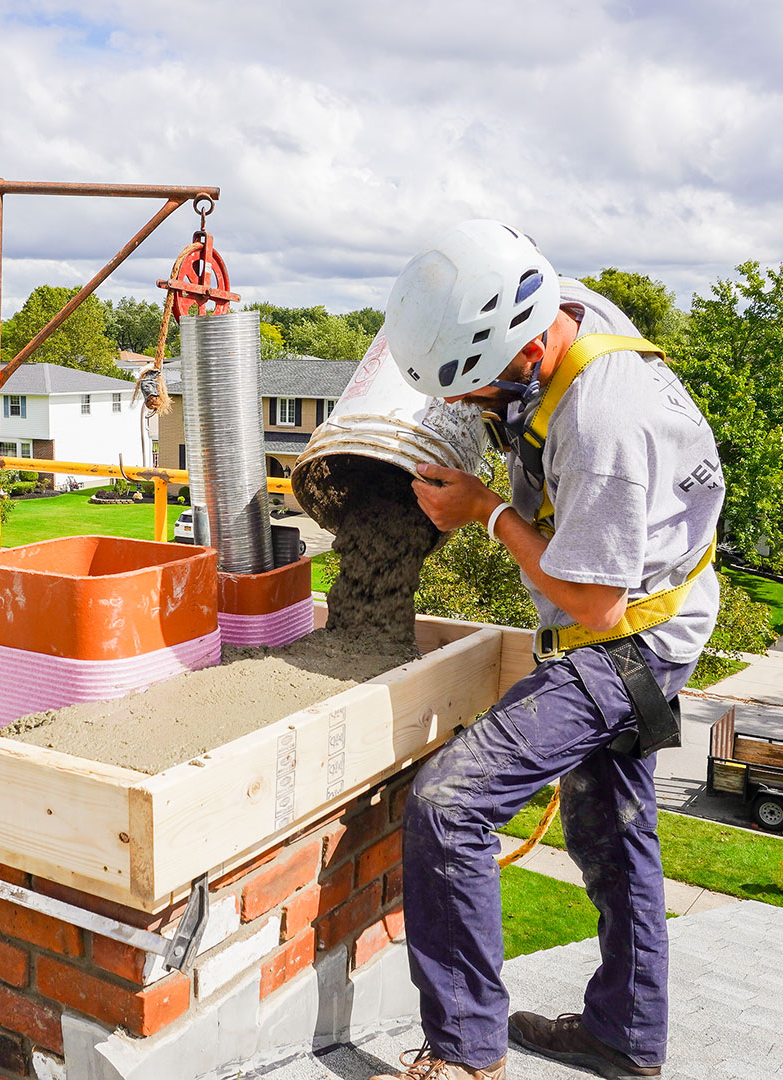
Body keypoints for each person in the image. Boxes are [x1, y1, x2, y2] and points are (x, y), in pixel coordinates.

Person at [367, 220, 724, 1080]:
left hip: (625, 640)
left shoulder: (605, 425)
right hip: (645, 618)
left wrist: (487, 513)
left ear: (524, 352)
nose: (464, 409)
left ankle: (464, 1052)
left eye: (474, 392)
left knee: (450, 804)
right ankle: (625, 1036)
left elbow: (596, 605)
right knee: (613, 832)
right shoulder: (557, 310)